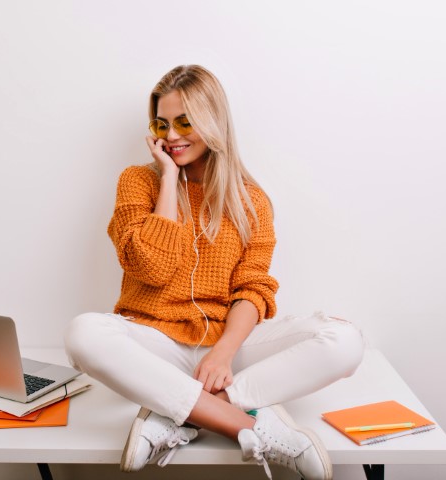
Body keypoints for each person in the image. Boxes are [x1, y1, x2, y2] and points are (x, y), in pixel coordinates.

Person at [65, 65, 364, 480]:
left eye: (184, 122)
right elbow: (151, 267)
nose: (171, 136)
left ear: (212, 121)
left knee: (344, 340)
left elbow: (253, 288)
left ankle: (176, 411)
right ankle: (254, 427)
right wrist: (169, 179)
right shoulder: (138, 182)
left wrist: (223, 353)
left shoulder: (251, 201)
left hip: (226, 346)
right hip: (155, 342)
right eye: (162, 124)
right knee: (84, 333)